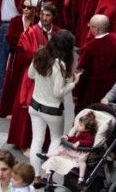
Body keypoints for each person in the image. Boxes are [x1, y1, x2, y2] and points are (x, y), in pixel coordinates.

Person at [28, 29, 81, 188]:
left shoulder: (40, 54)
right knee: (56, 139)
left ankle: (36, 177)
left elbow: (30, 75)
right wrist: (73, 83)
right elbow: (58, 93)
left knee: (36, 140)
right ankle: (48, 176)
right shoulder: (60, 64)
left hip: (35, 104)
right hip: (52, 110)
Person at [7, 2, 60, 151]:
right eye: (42, 14)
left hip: (51, 77)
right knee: (29, 107)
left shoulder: (57, 32)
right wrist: (40, 56)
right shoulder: (30, 32)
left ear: (53, 17)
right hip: (32, 76)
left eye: (48, 15)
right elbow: (24, 53)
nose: (44, 18)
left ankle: (44, 142)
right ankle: (24, 142)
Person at [73, 14, 116, 113]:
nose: (89, 28)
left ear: (96, 29)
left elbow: (81, 71)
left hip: (92, 90)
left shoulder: (90, 47)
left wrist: (76, 92)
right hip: (111, 87)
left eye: (90, 26)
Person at [0, 0, 35, 118]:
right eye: (23, 6)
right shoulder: (15, 20)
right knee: (13, 82)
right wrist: (25, 40)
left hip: (31, 59)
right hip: (16, 56)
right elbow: (9, 38)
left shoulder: (37, 21)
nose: (25, 9)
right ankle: (9, 110)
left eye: (29, 7)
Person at [41, 111, 98, 183]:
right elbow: (73, 139)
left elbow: (89, 142)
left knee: (82, 162)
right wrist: (67, 138)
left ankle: (81, 177)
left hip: (80, 153)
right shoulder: (79, 132)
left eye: (80, 125)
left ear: (87, 129)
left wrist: (80, 142)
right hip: (72, 150)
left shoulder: (89, 135)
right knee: (61, 149)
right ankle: (47, 155)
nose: (77, 126)